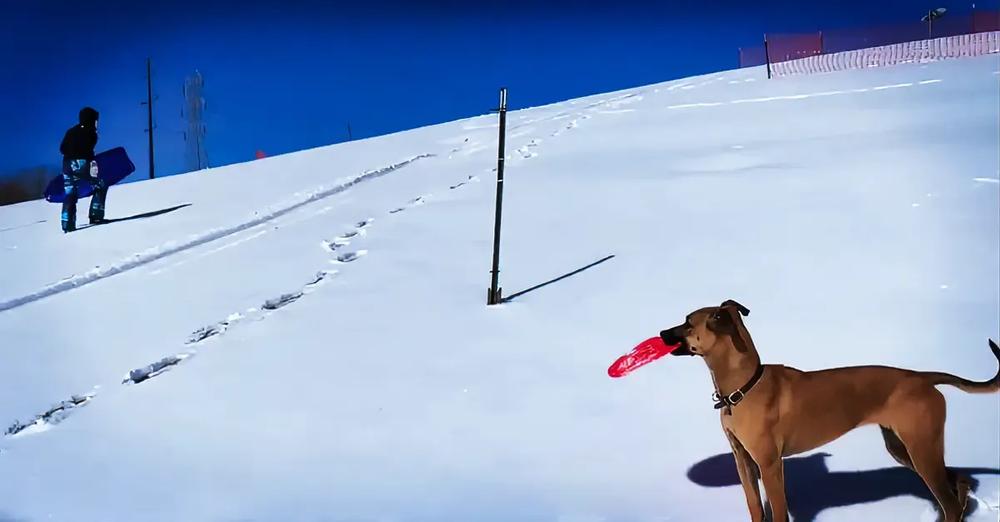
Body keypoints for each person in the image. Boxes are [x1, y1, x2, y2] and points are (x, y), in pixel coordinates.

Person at [59, 107, 107, 232]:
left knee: (70, 192)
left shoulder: (70, 131)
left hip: (67, 164)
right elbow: (89, 150)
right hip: (83, 162)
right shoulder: (91, 132)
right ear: (91, 119)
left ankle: (67, 223)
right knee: (100, 185)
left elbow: (62, 148)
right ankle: (96, 215)